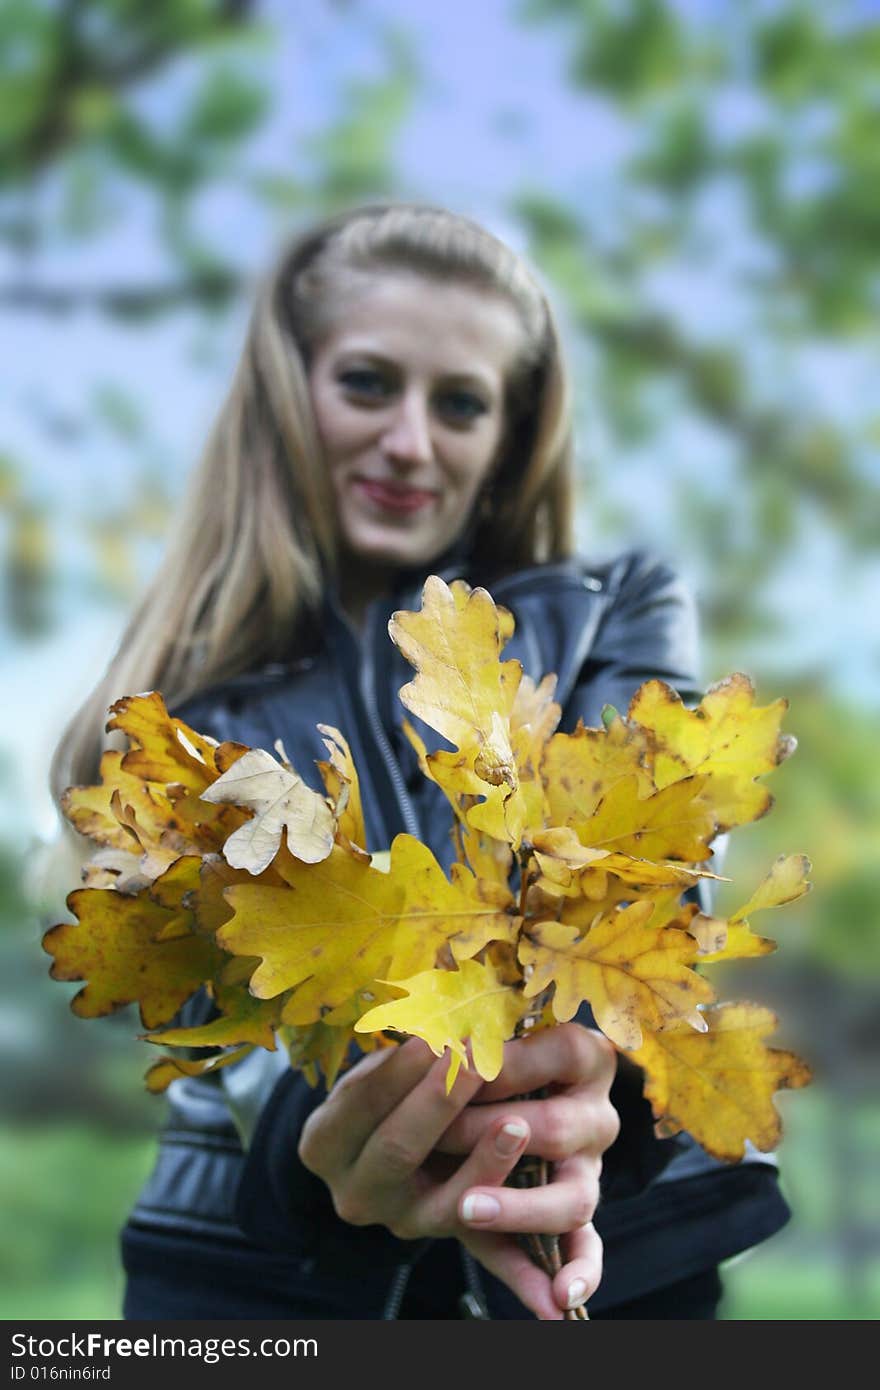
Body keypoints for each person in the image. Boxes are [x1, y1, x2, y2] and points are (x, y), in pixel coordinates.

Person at [50, 202, 790, 1320]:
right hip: (256, 1289)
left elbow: (645, 881)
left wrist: (569, 1095)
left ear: (508, 437)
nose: (410, 440)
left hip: (624, 1258)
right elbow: (250, 1007)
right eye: (366, 383)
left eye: (459, 403)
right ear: (287, 399)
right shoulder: (179, 719)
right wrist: (334, 1135)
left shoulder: (617, 607)